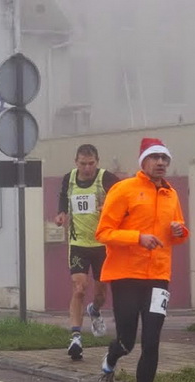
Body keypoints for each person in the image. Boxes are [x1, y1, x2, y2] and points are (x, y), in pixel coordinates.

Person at [95, 137, 189, 382]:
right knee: (127, 341)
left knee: (151, 342)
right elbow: (103, 232)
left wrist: (180, 231)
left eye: (164, 159)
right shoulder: (124, 190)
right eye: (155, 157)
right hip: (126, 275)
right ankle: (110, 361)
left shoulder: (171, 194)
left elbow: (179, 233)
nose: (161, 163)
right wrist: (138, 237)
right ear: (143, 161)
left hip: (159, 277)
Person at [54, 144, 119, 361]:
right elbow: (64, 197)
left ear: (97, 162)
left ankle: (95, 310)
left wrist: (107, 206)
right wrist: (61, 214)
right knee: (79, 288)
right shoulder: (69, 178)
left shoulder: (106, 178)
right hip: (79, 243)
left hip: (102, 245)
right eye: (83, 164)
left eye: (91, 164)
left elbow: (122, 199)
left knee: (100, 293)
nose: (87, 168)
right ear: (76, 162)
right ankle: (75, 337)